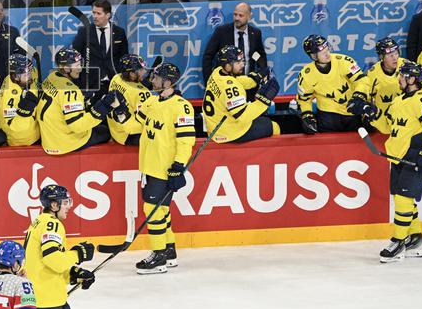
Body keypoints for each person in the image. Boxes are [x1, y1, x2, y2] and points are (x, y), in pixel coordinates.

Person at [370, 59, 422, 263]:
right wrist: (371, 114)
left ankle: (398, 242)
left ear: (411, 79)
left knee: (403, 200)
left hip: (413, 157)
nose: (399, 79)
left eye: (402, 76)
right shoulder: (398, 100)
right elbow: (387, 127)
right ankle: (416, 240)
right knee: (403, 200)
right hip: (397, 158)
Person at [131, 61, 194, 273]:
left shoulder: (181, 106)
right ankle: (169, 251)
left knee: (153, 210)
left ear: (168, 82)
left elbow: (186, 140)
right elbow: (136, 120)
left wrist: (178, 165)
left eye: (157, 78)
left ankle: (158, 256)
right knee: (162, 210)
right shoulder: (154, 101)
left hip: (164, 168)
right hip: (148, 166)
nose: (152, 80)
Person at [23, 183, 94, 309]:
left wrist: (72, 274)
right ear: (54, 205)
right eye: (66, 202)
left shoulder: (39, 222)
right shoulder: (52, 224)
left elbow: (41, 262)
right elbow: (52, 259)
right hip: (46, 298)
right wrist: (77, 254)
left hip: (53, 296)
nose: (69, 206)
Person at [38, 47, 118, 154]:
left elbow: (59, 101)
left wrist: (80, 98)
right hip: (65, 143)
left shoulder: (51, 77)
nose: (80, 69)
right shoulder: (70, 91)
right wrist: (104, 108)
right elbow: (78, 126)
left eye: (80, 64)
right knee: (106, 130)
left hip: (49, 139)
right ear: (65, 68)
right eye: (76, 66)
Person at [203, 46, 281, 143]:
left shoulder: (217, 72)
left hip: (215, 127)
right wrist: (265, 100)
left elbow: (235, 81)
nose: (242, 65)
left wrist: (255, 79)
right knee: (274, 126)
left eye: (242, 61)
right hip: (229, 133)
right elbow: (243, 116)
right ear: (227, 65)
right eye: (238, 62)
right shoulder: (230, 88)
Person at [296, 34, 364, 133]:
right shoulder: (306, 75)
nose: (327, 54)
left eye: (327, 50)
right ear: (313, 56)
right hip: (328, 117)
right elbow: (304, 100)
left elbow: (361, 80)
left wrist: (359, 95)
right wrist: (307, 115)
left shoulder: (345, 61)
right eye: (322, 53)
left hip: (352, 111)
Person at [201, 2, 267, 81]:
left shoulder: (255, 33)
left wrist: (262, 75)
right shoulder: (222, 32)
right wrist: (209, 81)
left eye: (240, 15)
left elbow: (258, 56)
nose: (237, 18)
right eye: (235, 14)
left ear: (249, 17)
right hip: (225, 85)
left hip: (248, 85)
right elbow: (208, 57)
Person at [72, 0, 127, 93]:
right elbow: (75, 57)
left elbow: (124, 57)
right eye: (94, 13)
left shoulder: (119, 32)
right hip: (90, 84)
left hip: (114, 84)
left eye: (98, 13)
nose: (95, 16)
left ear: (108, 15)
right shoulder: (84, 31)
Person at [350, 37, 402, 134]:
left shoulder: (406, 66)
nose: (395, 58)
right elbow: (366, 92)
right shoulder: (373, 74)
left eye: (396, 53)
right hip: (382, 120)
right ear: (382, 57)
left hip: (404, 118)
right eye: (390, 55)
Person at [0, 54, 41, 147]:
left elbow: (34, 75)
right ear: (15, 76)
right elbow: (14, 126)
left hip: (33, 130)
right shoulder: (11, 95)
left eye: (29, 71)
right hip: (21, 140)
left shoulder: (21, 79)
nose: (30, 75)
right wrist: (24, 113)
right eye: (25, 73)